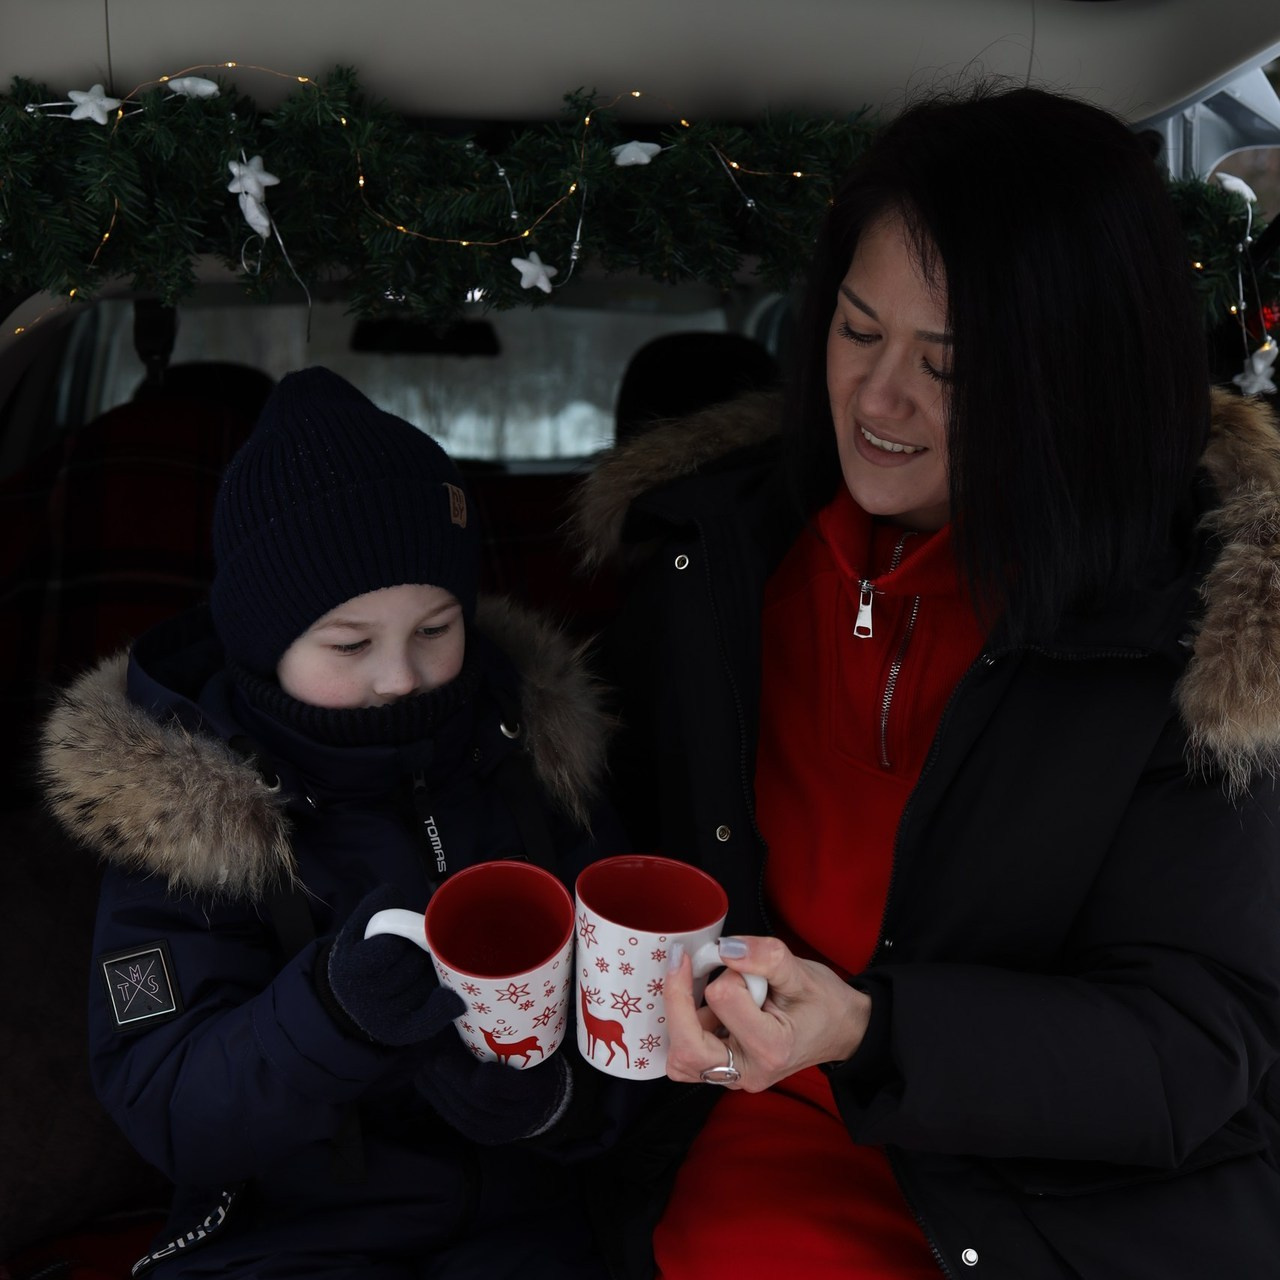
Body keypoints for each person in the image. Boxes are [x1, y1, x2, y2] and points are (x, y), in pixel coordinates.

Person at [571, 84, 1280, 1278]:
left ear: (1072, 381)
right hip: (740, 1156)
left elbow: (1191, 1044)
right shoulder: (708, 560)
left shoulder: (1206, 641)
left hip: (1068, 1210)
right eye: (856, 331)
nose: (878, 398)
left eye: (946, 365)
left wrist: (867, 1029)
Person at [39, 367, 619, 1279]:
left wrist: (560, 1106)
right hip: (288, 1237)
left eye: (435, 629)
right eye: (351, 643)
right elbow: (164, 1098)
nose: (400, 677)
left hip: (528, 1223)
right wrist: (329, 1017)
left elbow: (640, 1009)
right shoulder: (191, 818)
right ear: (264, 644)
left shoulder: (528, 757)